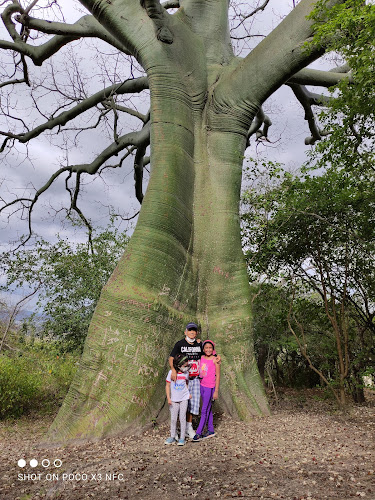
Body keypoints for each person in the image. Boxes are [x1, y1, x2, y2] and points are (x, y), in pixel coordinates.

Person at [169, 322, 220, 439]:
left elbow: (209, 352)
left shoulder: (199, 345)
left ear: (196, 333)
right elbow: (171, 357)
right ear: (185, 332)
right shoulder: (180, 344)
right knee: (179, 402)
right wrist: (173, 370)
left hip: (196, 380)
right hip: (182, 379)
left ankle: (189, 427)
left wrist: (218, 356)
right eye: (190, 330)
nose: (192, 332)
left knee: (192, 404)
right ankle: (177, 429)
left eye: (194, 330)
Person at [192, 339, 220, 442]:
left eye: (210, 348)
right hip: (202, 386)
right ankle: (210, 430)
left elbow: (218, 376)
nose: (208, 349)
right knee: (207, 409)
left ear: (213, 349)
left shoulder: (215, 360)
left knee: (204, 410)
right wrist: (199, 342)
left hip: (210, 387)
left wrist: (216, 391)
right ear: (203, 349)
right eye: (206, 348)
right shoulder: (202, 357)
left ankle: (198, 433)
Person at [165, 354, 191, 446]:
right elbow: (167, 386)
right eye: (185, 366)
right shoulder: (171, 373)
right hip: (174, 399)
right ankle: (172, 436)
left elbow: (186, 383)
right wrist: (168, 398)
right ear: (179, 365)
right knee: (173, 419)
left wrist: (188, 393)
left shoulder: (186, 374)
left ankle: (182, 438)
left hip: (184, 398)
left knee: (182, 418)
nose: (186, 367)